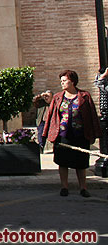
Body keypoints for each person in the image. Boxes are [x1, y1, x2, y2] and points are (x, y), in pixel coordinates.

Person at [42, 70, 101, 198]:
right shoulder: (58, 97)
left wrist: (95, 133)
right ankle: (64, 186)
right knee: (62, 162)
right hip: (62, 135)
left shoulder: (84, 96)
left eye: (65, 80)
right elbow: (51, 116)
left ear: (72, 81)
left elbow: (92, 115)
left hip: (80, 135)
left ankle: (83, 188)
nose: (62, 82)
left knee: (81, 163)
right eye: (61, 80)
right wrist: (46, 133)